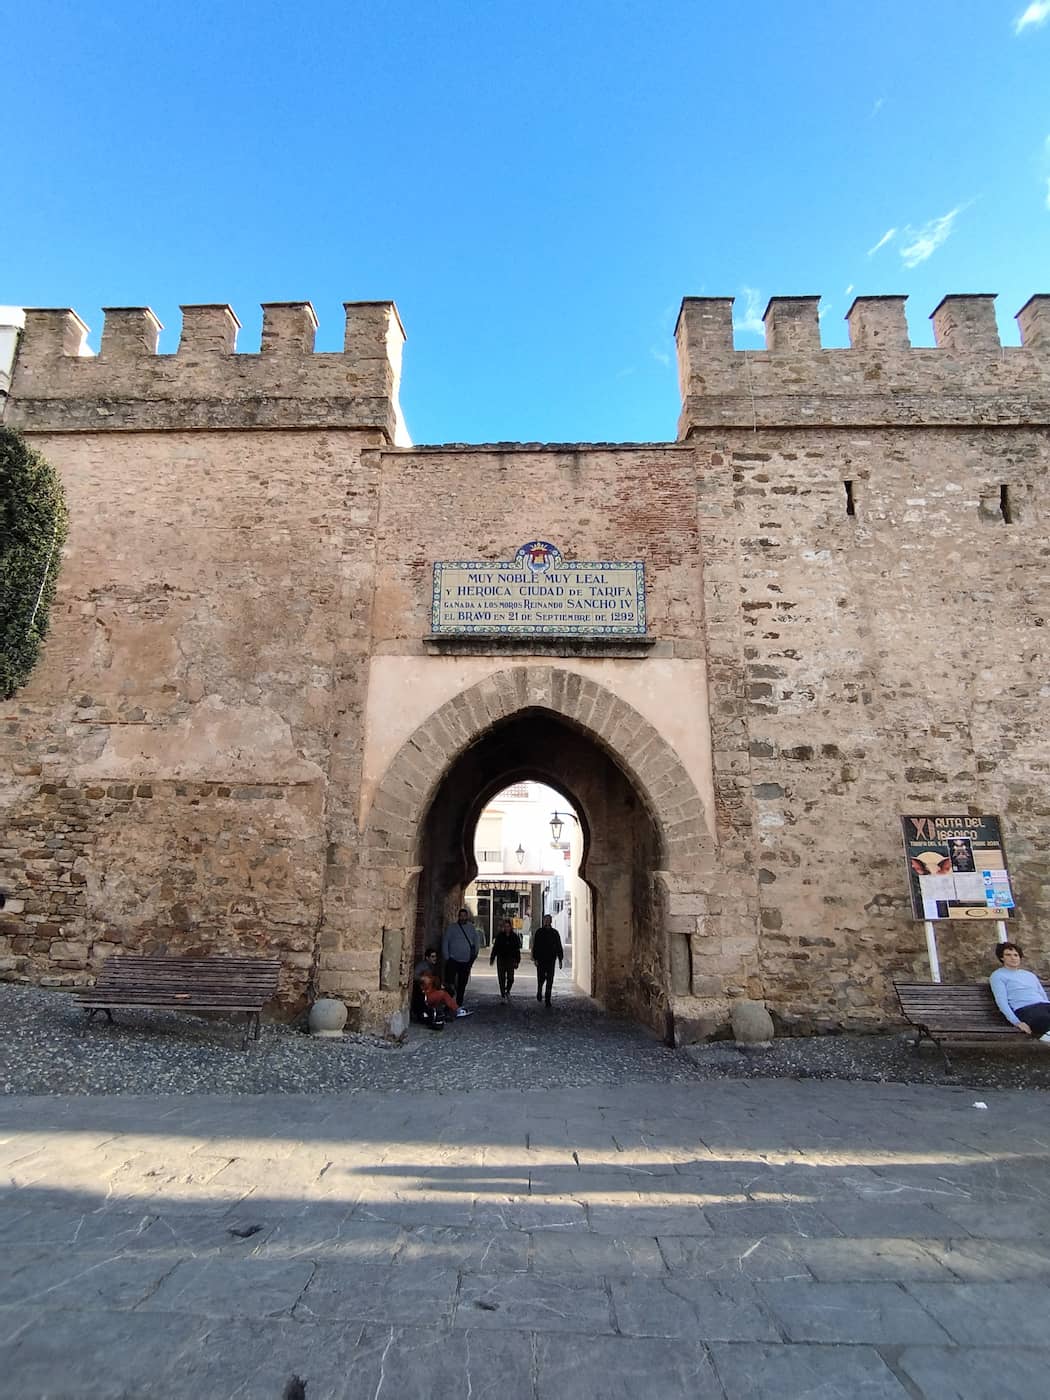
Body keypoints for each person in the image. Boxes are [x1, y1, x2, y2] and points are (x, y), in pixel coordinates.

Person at [989, 941, 1050, 1041]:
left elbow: (1042, 995)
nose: (1013, 958)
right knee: (1044, 1021)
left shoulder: (1029, 975)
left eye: (1016, 955)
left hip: (1044, 1006)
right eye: (1008, 955)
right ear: (1002, 958)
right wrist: (1017, 1022)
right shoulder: (998, 976)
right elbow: (1002, 1002)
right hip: (1025, 1009)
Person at [441, 906, 479, 1014]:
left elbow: (476, 942)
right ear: (458, 916)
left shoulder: (471, 928)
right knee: (449, 983)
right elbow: (446, 941)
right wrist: (447, 956)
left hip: (466, 961)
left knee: (462, 984)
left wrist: (474, 956)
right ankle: (448, 1004)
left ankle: (459, 1004)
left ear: (467, 917)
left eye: (464, 916)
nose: (462, 918)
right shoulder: (452, 928)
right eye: (461, 916)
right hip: (453, 960)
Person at [531, 914, 564, 1007]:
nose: (546, 921)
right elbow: (535, 946)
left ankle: (548, 999)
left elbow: (558, 946)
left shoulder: (555, 933)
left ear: (551, 921)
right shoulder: (539, 932)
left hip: (551, 960)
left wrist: (560, 959)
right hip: (541, 960)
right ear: (543, 921)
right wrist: (535, 958)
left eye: (548, 920)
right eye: (545, 920)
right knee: (541, 978)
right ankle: (539, 990)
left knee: (550, 979)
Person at [490, 917, 523, 1002]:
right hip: (501, 959)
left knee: (511, 978)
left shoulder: (514, 937)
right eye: (505, 926)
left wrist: (517, 960)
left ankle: (507, 990)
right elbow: (495, 948)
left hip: (510, 959)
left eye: (508, 926)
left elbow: (517, 950)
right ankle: (503, 995)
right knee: (501, 978)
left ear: (511, 927)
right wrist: (492, 958)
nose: (507, 928)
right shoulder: (500, 936)